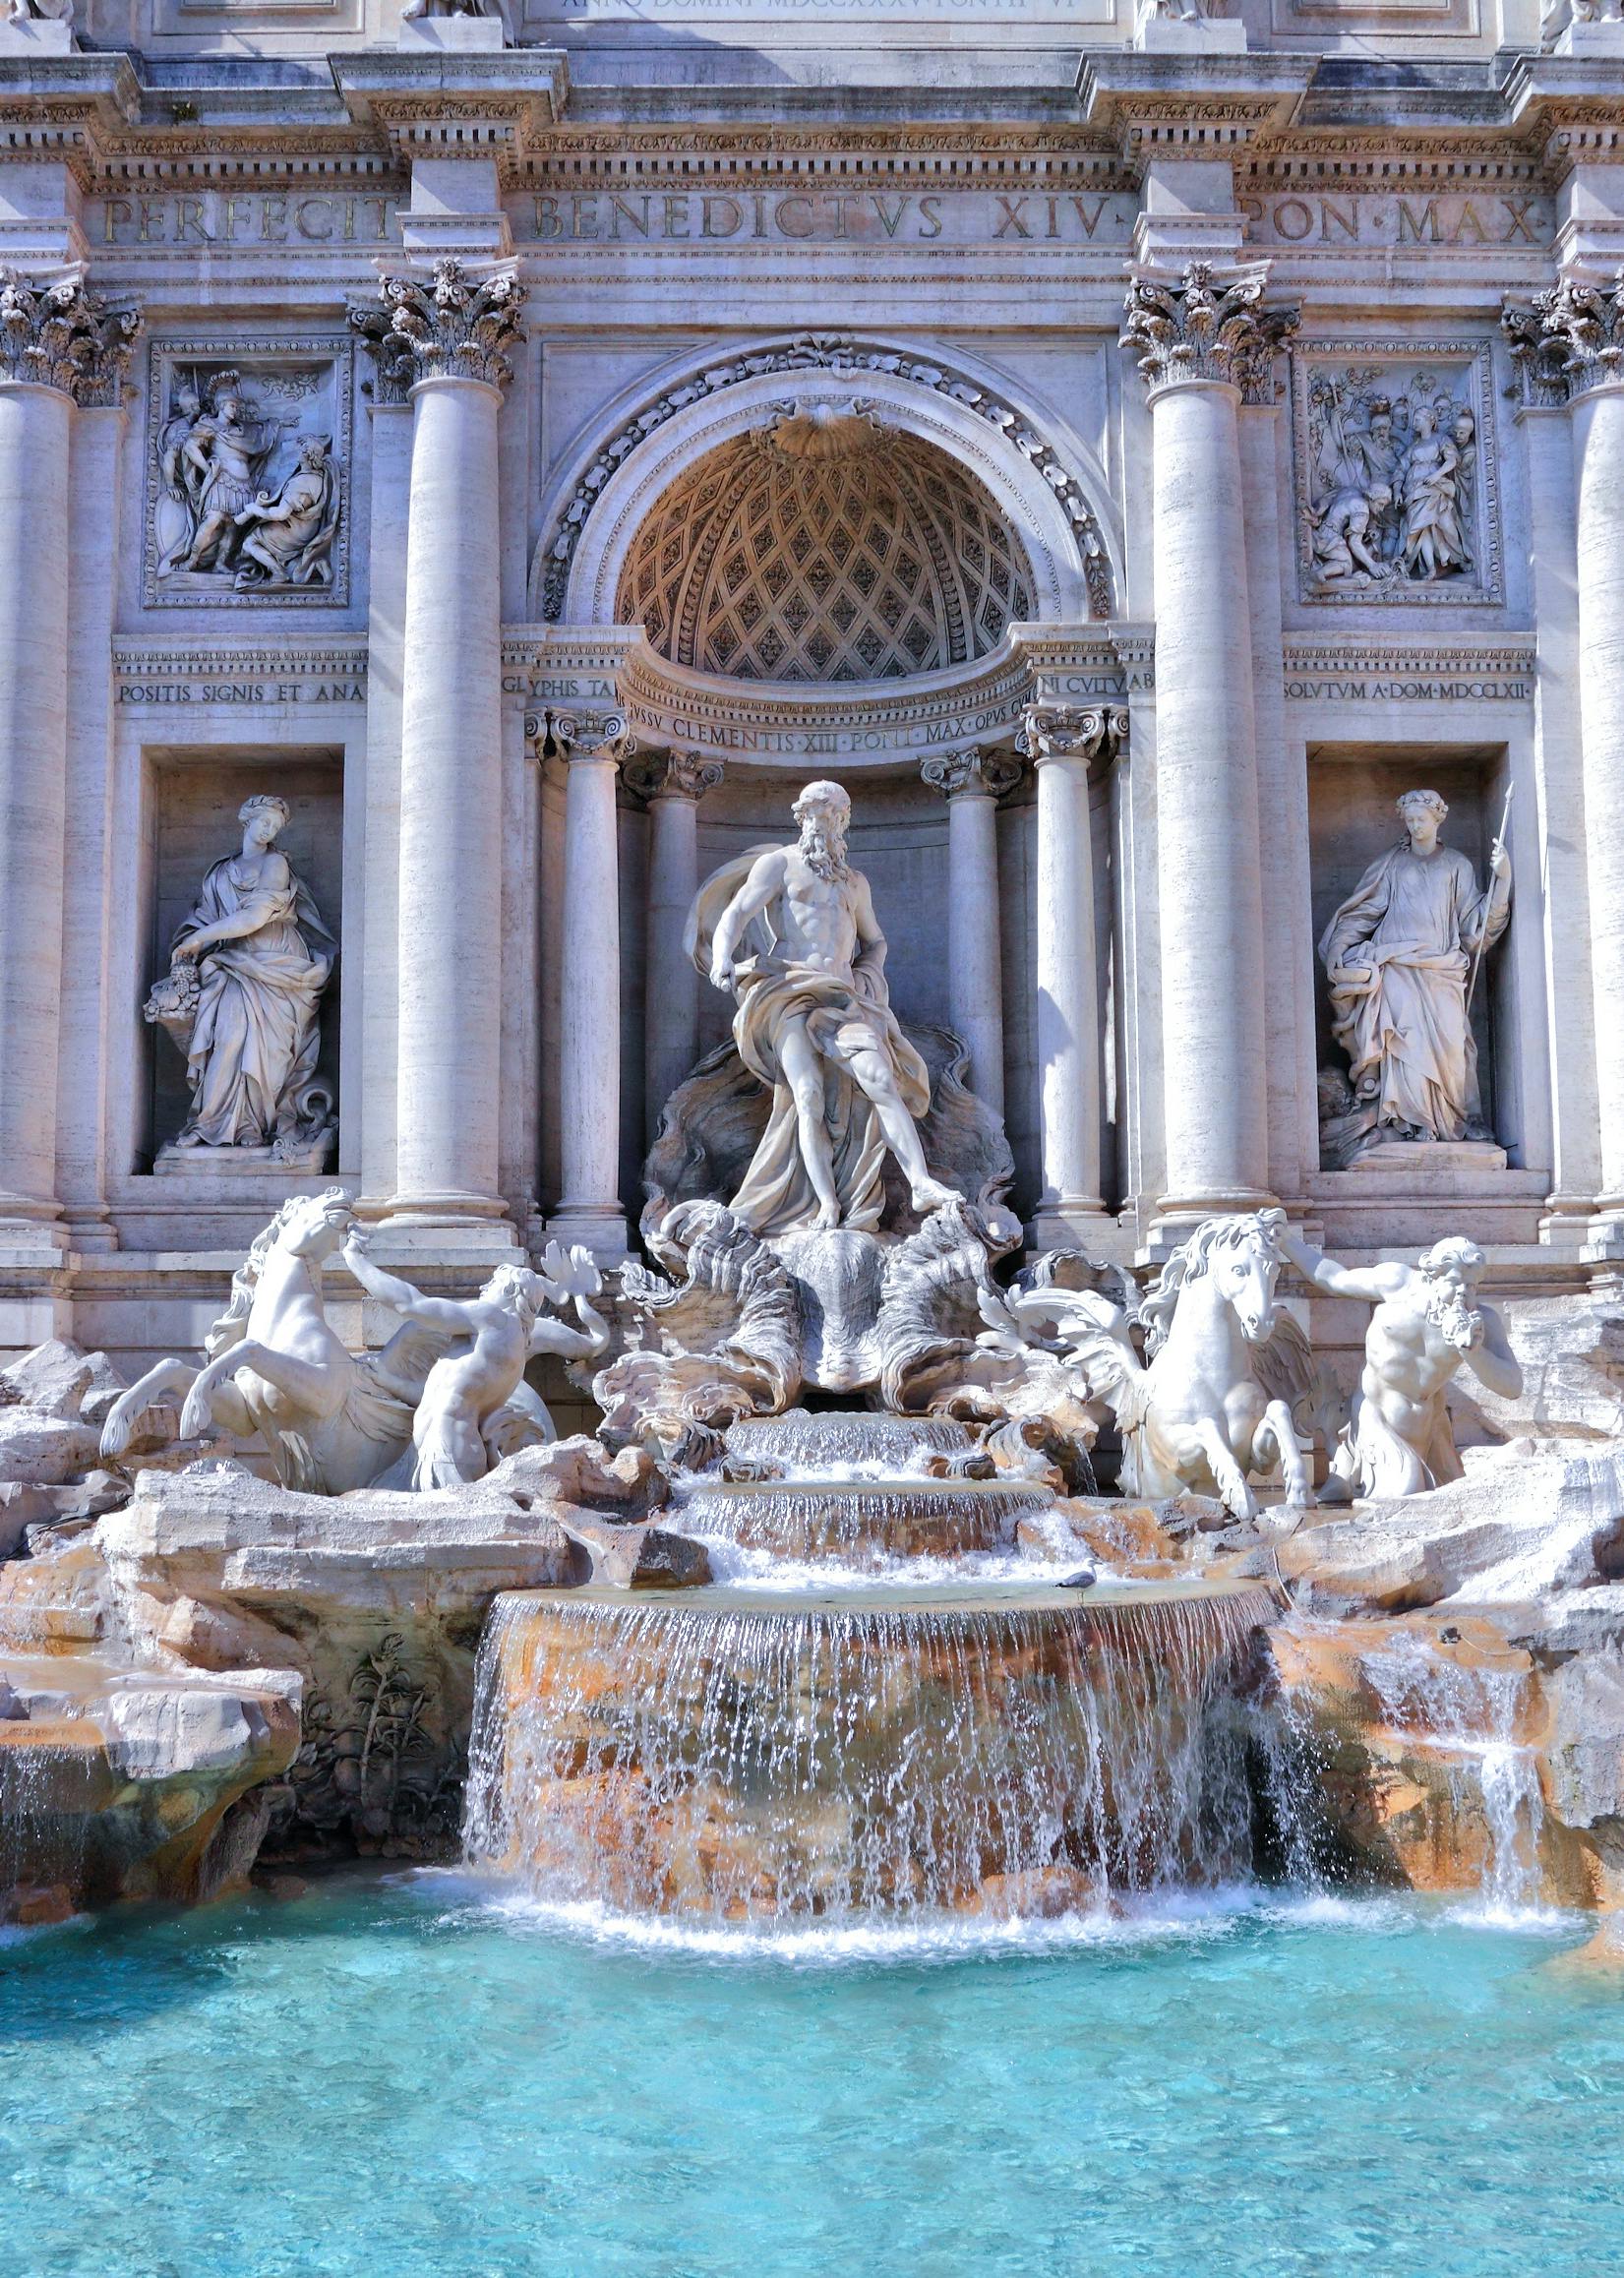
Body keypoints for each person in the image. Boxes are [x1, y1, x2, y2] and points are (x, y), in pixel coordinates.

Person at [688, 779, 959, 1235]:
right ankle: (827, 1206)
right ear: (802, 819)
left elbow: (875, 940)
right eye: (814, 813)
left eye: (831, 814)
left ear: (843, 821)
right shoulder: (781, 865)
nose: (823, 823)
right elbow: (736, 914)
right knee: (807, 1097)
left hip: (843, 998)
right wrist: (721, 961)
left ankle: (920, 1183)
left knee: (881, 1080)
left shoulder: (855, 883)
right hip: (787, 990)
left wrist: (869, 976)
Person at [339, 1233, 609, 1490]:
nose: (483, 1288)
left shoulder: (491, 1318)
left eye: (492, 1283)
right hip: (448, 1450)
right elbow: (593, 1344)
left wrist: (355, 1260)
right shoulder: (520, 1341)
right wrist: (578, 1297)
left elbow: (410, 1304)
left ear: (510, 1290)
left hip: (447, 1452)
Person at [1319, 788, 1510, 1150]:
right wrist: (1340, 947)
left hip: (1442, 969)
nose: (1415, 826)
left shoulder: (1457, 865)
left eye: (1421, 819)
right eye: (1409, 820)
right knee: (1402, 1043)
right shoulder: (1392, 863)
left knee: (1455, 1046)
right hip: (1396, 967)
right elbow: (1363, 912)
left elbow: (1476, 926)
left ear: (1438, 819)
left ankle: (1458, 1119)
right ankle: (1407, 1121)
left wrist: (1503, 880)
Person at [1276, 1228, 1521, 1499]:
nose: (1464, 1293)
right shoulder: (1398, 1284)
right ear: (1432, 1276)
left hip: (1430, 1429)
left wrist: (1472, 1352)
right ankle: (1350, 1465)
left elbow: (1512, 1387)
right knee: (1407, 1493)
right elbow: (1333, 1278)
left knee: (1453, 1500)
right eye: (1455, 1282)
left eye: (1472, 1285)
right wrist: (1284, 1240)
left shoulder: (1481, 1323)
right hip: (1375, 1419)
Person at [165, 794, 335, 1155]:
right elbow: (205, 917)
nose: (269, 830)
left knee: (268, 1052)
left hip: (277, 966)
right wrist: (193, 940)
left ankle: (253, 1127)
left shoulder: (275, 864)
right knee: (227, 1038)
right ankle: (210, 1122)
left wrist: (199, 938)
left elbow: (252, 918)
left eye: (275, 826)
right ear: (247, 820)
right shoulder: (221, 873)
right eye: (264, 822)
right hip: (234, 965)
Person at [233, 437, 339, 589]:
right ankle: (314, 565)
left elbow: (280, 514)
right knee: (271, 541)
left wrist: (255, 509)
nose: (298, 452)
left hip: (296, 531)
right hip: (309, 527)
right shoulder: (318, 476)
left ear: (307, 455)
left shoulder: (299, 484)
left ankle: (279, 573)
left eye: (302, 449)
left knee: (250, 542)